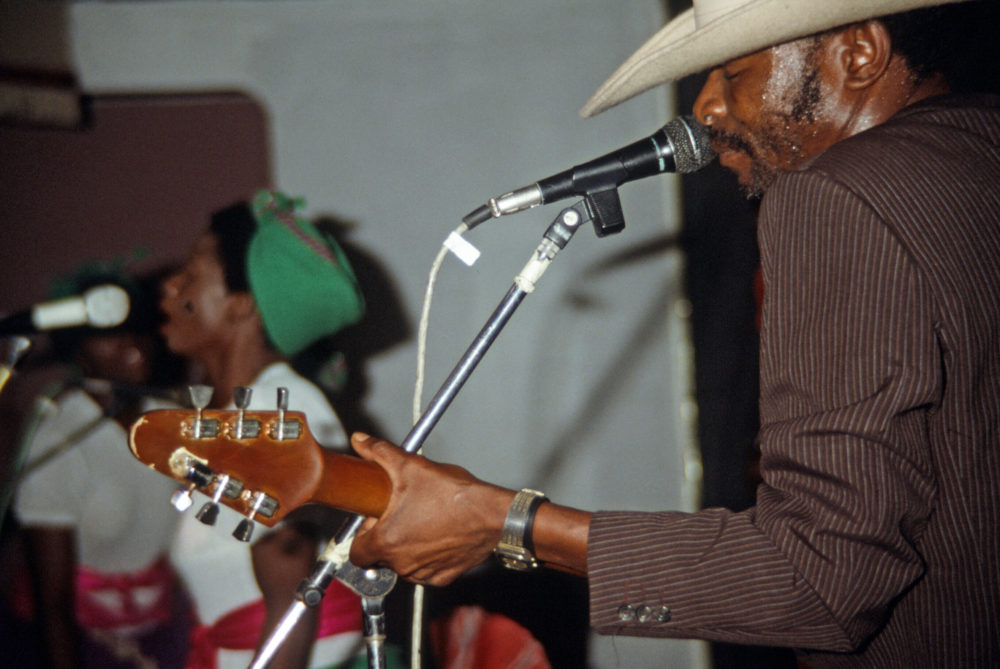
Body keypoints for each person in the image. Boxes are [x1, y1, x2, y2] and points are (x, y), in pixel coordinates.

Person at [343, 1, 1000, 667]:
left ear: (858, 54)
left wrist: (505, 522)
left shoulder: (833, 197)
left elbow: (819, 580)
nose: (706, 107)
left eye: (734, 71)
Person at [158, 189, 385, 669]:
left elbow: (291, 576)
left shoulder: (273, 412)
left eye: (192, 273)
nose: (170, 287)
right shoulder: (234, 414)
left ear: (240, 305)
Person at [11, 263, 192, 669]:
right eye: (107, 334)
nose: (130, 341)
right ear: (78, 356)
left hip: (159, 633)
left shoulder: (173, 420)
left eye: (136, 327)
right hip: (79, 642)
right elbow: (53, 603)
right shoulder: (60, 437)